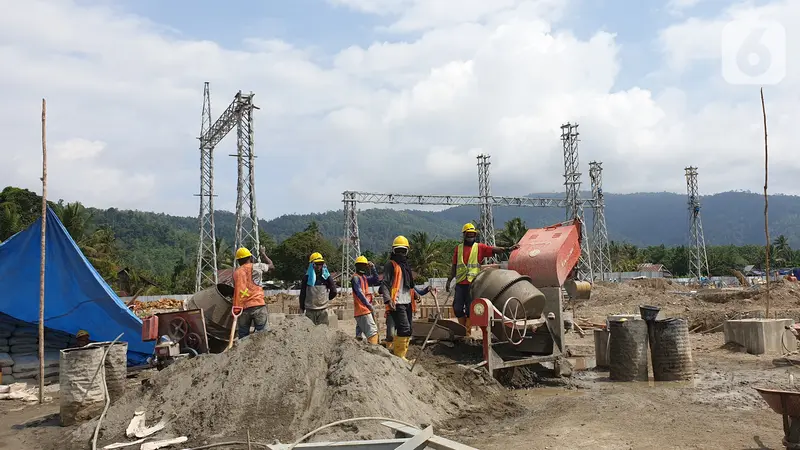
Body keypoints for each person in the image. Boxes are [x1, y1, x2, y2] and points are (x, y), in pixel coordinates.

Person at [446, 223, 520, 332]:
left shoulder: (479, 247)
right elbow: (454, 266)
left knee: (470, 310)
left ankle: (467, 331)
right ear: (464, 235)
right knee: (457, 308)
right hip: (461, 283)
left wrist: (508, 249)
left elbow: (494, 249)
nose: (471, 237)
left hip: (473, 284)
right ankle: (462, 329)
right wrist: (449, 280)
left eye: (473, 235)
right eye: (469, 234)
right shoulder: (458, 248)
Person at [379, 235, 427, 361]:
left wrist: (415, 294)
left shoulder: (406, 267)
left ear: (407, 252)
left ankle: (401, 355)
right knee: (404, 328)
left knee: (409, 329)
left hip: (407, 302)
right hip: (397, 302)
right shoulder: (391, 265)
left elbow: (409, 285)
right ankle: (399, 356)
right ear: (393, 251)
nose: (400, 253)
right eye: (398, 251)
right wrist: (388, 300)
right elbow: (385, 283)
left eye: (403, 251)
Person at [232, 247, 273, 339]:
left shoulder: (235, 273)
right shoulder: (257, 266)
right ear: (250, 258)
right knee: (263, 335)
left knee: (243, 336)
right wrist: (263, 254)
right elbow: (271, 266)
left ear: (238, 261)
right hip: (258, 305)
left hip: (242, 308)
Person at [299, 252, 337, 326]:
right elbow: (303, 294)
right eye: (317, 264)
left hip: (323, 310)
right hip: (310, 310)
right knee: (310, 332)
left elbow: (334, 291)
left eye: (321, 264)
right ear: (311, 265)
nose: (319, 266)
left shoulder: (326, 277)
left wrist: (326, 299)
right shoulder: (307, 278)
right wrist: (302, 308)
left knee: (322, 332)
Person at [351, 256, 381, 344]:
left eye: (364, 265)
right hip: (362, 309)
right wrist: (368, 305)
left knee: (360, 337)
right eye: (361, 265)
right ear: (357, 266)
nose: (362, 267)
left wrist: (373, 268)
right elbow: (359, 293)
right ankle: (374, 350)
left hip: (364, 309)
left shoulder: (364, 278)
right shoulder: (355, 278)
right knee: (372, 332)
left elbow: (376, 279)